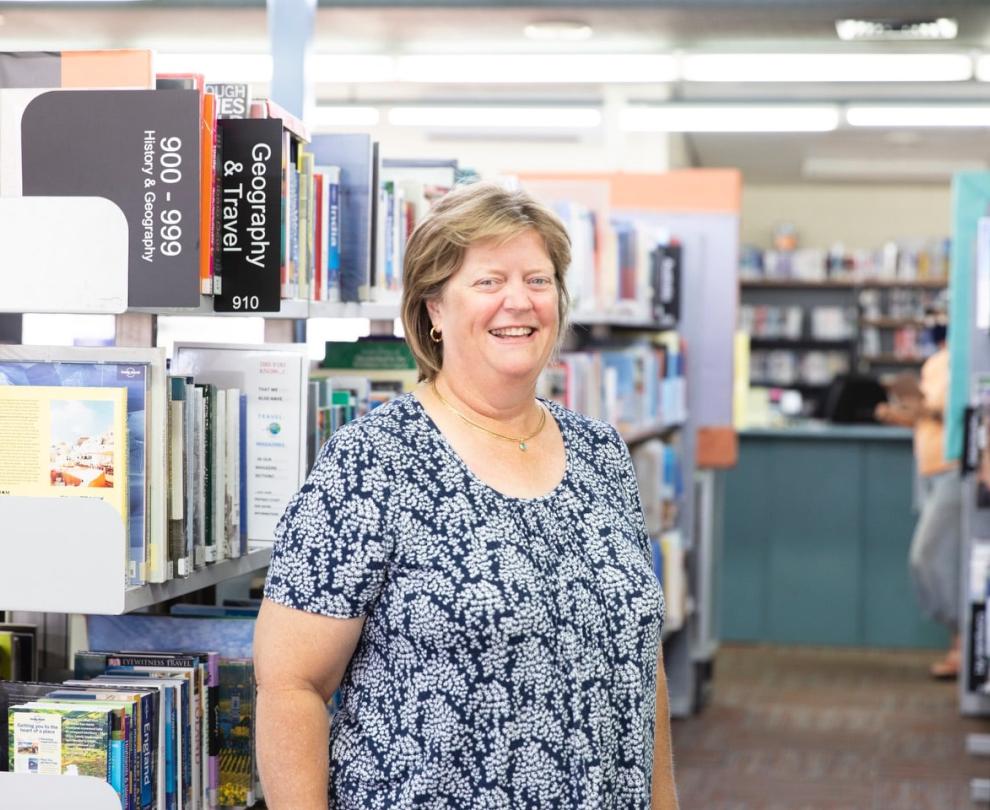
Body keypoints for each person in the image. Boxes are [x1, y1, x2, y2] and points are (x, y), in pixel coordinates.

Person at [253, 181, 679, 809]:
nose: (519, 302)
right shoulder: (372, 461)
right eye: (488, 282)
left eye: (538, 280)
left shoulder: (601, 454)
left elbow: (643, 668)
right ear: (433, 309)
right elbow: (292, 685)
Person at [875, 312, 962, 678]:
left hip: (954, 468)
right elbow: (927, 414)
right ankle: (960, 646)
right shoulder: (933, 364)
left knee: (926, 557)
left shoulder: (969, 359)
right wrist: (899, 414)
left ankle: (966, 638)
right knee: (945, 559)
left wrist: (927, 410)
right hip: (927, 469)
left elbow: (959, 414)